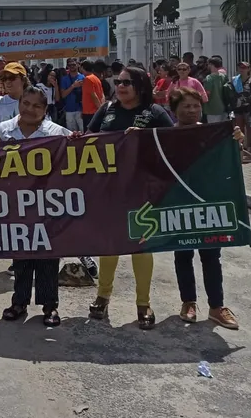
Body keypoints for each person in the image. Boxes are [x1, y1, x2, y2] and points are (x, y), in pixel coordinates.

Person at [85, 66, 172, 330]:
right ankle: (102, 296)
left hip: (142, 190)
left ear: (141, 86)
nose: (120, 86)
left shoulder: (155, 113)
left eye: (127, 82)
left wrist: (144, 138)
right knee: (110, 244)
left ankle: (143, 304)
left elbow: (174, 143)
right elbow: (89, 139)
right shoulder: (107, 110)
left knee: (141, 246)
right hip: (109, 189)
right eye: (118, 82)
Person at [0, 87, 71, 327]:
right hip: (15, 204)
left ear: (45, 109)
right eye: (25, 103)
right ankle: (19, 302)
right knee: (21, 256)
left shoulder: (58, 133)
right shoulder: (3, 130)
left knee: (48, 256)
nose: (29, 109)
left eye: (36, 106)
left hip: (48, 204)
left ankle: (50, 306)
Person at [167, 87, 241, 330]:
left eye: (195, 105)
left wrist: (236, 141)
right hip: (179, 203)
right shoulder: (164, 136)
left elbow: (229, 160)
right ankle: (188, 302)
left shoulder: (213, 133)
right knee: (183, 254)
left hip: (208, 202)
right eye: (186, 106)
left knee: (211, 256)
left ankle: (216, 307)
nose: (191, 110)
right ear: (174, 109)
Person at [58, 58, 84, 131]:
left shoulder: (82, 77)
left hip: (81, 109)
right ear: (67, 66)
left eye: (74, 65)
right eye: (70, 65)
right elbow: (63, 95)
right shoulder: (64, 79)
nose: (72, 66)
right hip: (69, 110)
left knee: (83, 132)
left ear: (77, 65)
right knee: (71, 133)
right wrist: (73, 86)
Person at [80, 59, 105, 129]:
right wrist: (102, 107)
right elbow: (102, 94)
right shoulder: (96, 78)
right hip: (94, 111)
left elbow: (93, 95)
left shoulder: (87, 79)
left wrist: (100, 110)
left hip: (90, 113)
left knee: (89, 136)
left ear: (82, 67)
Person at [203, 56, 229, 122]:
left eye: (208, 64)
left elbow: (207, 93)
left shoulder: (209, 78)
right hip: (224, 107)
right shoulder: (223, 76)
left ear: (211, 65)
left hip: (212, 109)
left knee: (214, 128)